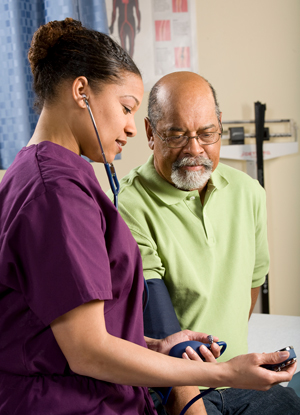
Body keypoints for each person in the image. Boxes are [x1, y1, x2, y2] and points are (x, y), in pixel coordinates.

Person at [0, 20, 296, 415]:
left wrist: (158, 345)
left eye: (207, 133)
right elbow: (87, 352)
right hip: (73, 402)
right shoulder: (57, 193)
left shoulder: (41, 175)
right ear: (81, 91)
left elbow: (72, 327)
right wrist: (226, 373)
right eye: (126, 108)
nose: (129, 129)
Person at [109, 71, 300, 414]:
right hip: (169, 388)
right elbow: (158, 322)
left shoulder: (248, 193)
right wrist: (191, 406)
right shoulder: (129, 204)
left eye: (207, 133)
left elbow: (251, 287)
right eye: (177, 135)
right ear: (151, 133)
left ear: (220, 126)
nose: (195, 149)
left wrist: (233, 369)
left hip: (240, 379)